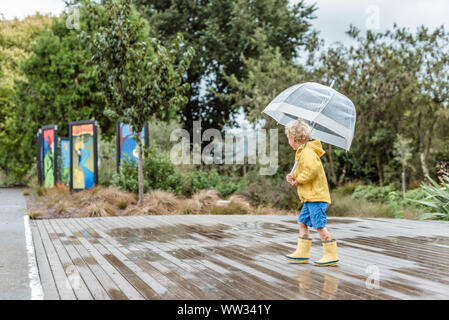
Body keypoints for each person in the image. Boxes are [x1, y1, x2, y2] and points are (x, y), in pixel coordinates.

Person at [284, 120, 339, 267]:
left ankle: (331, 255)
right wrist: (293, 176)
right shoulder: (302, 153)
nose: (288, 140)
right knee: (302, 222)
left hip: (316, 197)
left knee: (319, 225)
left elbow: (311, 171)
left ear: (294, 139)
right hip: (310, 198)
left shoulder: (308, 152)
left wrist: (299, 180)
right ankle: (302, 253)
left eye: (288, 137)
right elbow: (303, 171)